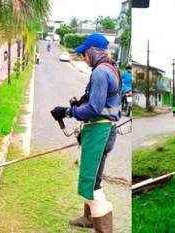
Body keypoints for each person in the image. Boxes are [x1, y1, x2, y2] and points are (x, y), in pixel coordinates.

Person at [51, 33, 121, 233]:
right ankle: (88, 218)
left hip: (99, 130)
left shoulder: (100, 72)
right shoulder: (111, 68)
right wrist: (79, 104)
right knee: (93, 177)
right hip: (104, 130)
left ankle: (104, 229)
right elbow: (99, 102)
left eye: (84, 53)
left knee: (90, 185)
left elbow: (95, 109)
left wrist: (67, 112)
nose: (83, 57)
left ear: (93, 51)